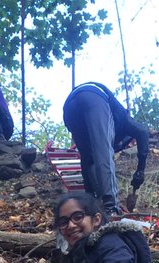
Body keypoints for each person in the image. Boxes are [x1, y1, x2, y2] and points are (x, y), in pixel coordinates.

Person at [62, 82, 150, 219]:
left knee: (87, 157)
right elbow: (143, 132)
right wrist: (140, 170)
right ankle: (112, 208)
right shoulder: (125, 120)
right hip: (94, 96)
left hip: (69, 107)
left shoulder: (114, 124)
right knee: (103, 152)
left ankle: (89, 203)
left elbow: (89, 162)